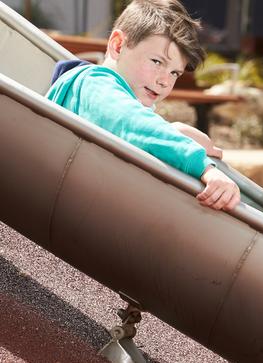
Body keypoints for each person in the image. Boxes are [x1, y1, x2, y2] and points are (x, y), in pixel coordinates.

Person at [47, 0, 239, 211]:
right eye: (157, 62)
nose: (165, 81)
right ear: (118, 45)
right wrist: (203, 167)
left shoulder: (108, 98)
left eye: (175, 73)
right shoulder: (94, 84)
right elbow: (130, 121)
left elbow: (134, 124)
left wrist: (175, 130)